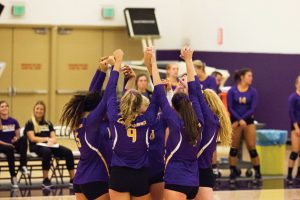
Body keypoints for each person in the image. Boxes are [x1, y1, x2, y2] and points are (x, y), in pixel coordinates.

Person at [148, 47, 203, 200]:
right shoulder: (199, 120)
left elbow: (159, 92)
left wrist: (153, 61)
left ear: (175, 108)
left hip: (176, 180)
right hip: (193, 182)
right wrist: (188, 60)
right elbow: (195, 92)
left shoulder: (174, 121)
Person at [107, 49, 161, 200]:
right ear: (140, 106)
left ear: (123, 102)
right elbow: (158, 93)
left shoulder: (114, 117)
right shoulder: (147, 119)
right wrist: (152, 65)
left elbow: (110, 89)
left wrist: (117, 63)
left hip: (119, 174)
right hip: (140, 174)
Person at [60, 57, 113, 200]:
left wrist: (101, 71)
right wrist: (115, 68)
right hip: (97, 178)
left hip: (80, 179)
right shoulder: (93, 122)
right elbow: (108, 95)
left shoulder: (82, 120)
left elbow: (92, 95)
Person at [192, 73, 232, 200]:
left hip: (199, 170)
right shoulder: (213, 120)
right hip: (204, 169)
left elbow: (196, 93)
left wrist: (189, 61)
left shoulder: (209, 119)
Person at [25, 101, 75, 188]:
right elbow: (32, 138)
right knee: (47, 152)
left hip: (49, 145)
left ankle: (73, 179)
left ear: (44, 111)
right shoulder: (30, 123)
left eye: (41, 109)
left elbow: (54, 138)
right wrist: (47, 139)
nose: (39, 111)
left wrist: (52, 141)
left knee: (68, 152)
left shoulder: (48, 123)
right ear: (34, 110)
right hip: (36, 146)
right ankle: (46, 179)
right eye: (37, 109)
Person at [227, 68, 261, 181]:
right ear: (242, 77)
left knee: (252, 148)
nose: (251, 78)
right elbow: (230, 108)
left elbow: (253, 108)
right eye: (249, 76)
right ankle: (233, 172)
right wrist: (238, 120)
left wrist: (242, 120)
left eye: (252, 76)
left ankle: (257, 172)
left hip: (248, 122)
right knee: (234, 148)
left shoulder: (253, 92)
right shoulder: (232, 91)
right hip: (235, 122)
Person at [0, 100, 29, 188]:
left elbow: (18, 135)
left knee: (24, 139)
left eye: (6, 106)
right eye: (2, 106)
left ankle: (23, 165)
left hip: (12, 144)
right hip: (2, 145)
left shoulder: (14, 121)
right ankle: (13, 176)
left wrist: (16, 138)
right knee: (9, 149)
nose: (4, 108)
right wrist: (8, 144)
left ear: (8, 108)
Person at [287, 75, 300, 183]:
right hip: (296, 127)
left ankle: (298, 173)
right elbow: (291, 114)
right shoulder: (293, 97)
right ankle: (289, 174)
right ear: (296, 84)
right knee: (294, 152)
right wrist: (296, 128)